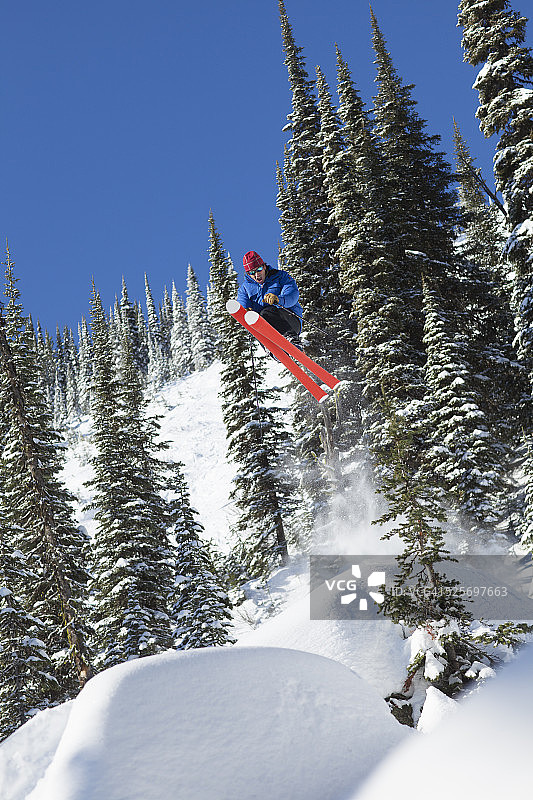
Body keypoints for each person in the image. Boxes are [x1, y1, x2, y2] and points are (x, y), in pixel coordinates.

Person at [237, 251, 303, 346]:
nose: (257, 275)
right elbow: (242, 307)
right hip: (266, 329)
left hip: (289, 321)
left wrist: (279, 300)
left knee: (267, 312)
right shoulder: (244, 289)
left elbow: (293, 295)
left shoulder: (280, 276)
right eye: (252, 272)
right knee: (258, 321)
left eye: (259, 269)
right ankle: (272, 350)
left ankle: (291, 339)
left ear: (264, 266)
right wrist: (246, 312)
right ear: (248, 273)